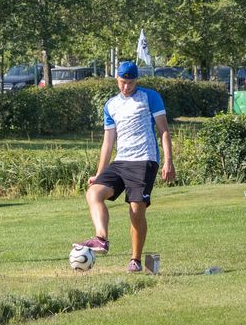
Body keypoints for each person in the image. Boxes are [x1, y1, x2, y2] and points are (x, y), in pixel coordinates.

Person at [75, 60, 175, 272]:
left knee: (136, 210)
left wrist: (168, 161)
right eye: (122, 82)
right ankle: (101, 238)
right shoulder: (111, 105)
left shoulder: (150, 97)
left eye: (130, 83)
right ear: (117, 80)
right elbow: (108, 143)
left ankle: (135, 260)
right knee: (94, 193)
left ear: (136, 80)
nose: (126, 87)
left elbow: (164, 131)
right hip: (121, 162)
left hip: (145, 159)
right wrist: (99, 173)